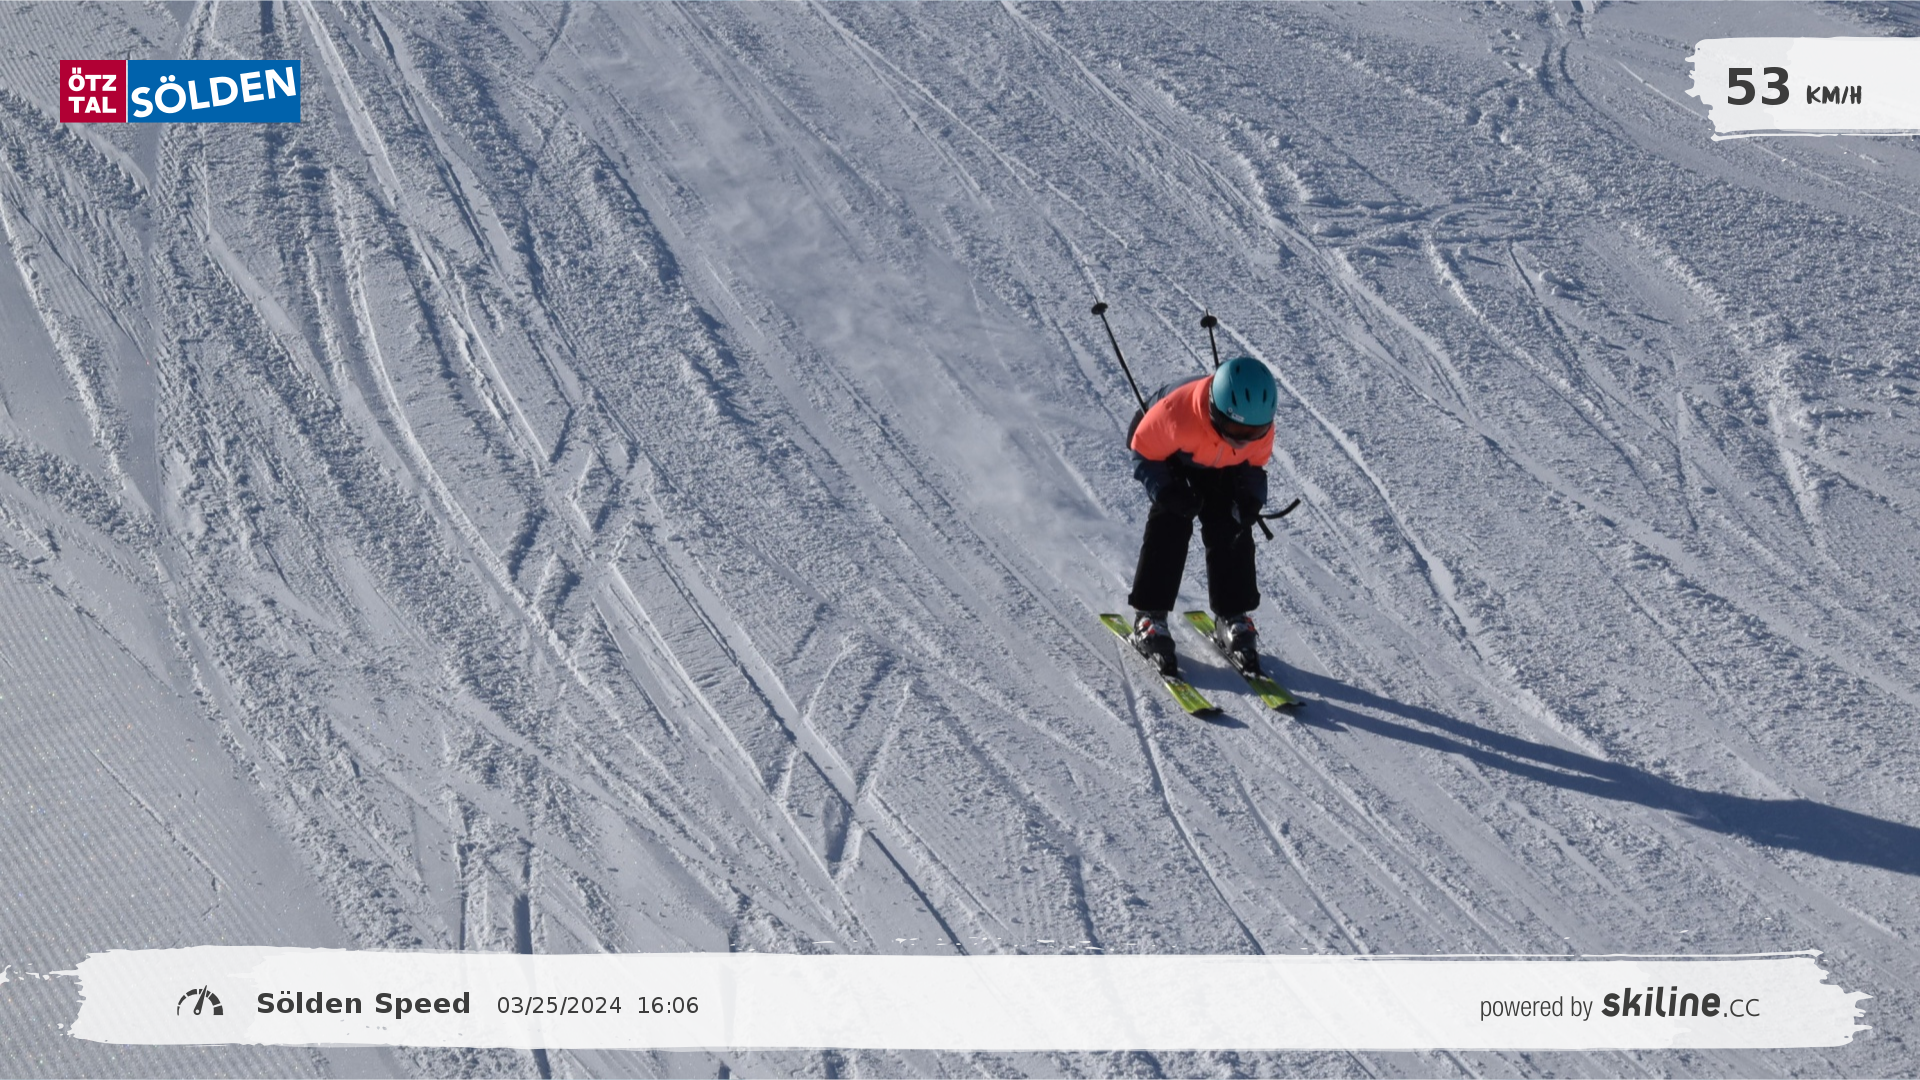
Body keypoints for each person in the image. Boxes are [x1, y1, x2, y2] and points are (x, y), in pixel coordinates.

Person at [1125, 355, 1277, 676]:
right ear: (1215, 410)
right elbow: (1143, 451)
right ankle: (1149, 615)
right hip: (1170, 454)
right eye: (1235, 428)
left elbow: (1252, 466)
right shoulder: (1175, 415)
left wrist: (1251, 499)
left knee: (1232, 524)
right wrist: (1167, 491)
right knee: (1171, 521)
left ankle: (1232, 614)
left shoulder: (1257, 430)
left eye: (1253, 431)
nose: (1243, 438)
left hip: (1220, 462)